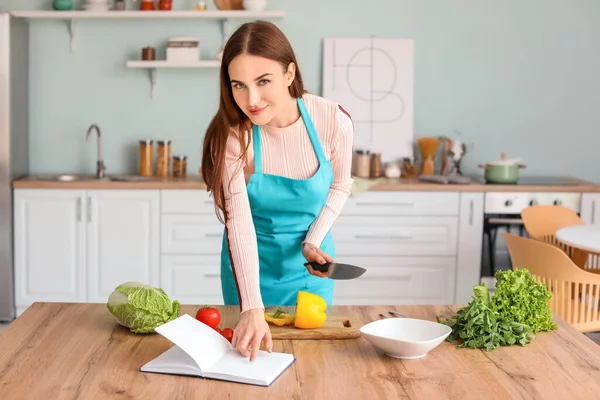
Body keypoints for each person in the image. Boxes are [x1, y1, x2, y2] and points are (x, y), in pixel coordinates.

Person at [201, 20, 354, 362]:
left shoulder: (332, 120)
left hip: (310, 269)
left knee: (312, 366)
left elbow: (341, 185)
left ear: (289, 74)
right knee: (248, 364)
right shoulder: (235, 136)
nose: (250, 99)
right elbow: (238, 222)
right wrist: (252, 306)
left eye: (263, 81)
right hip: (250, 269)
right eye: (238, 85)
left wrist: (314, 239)